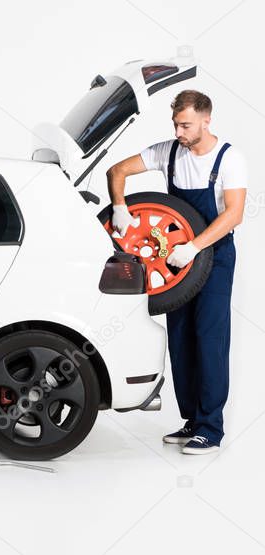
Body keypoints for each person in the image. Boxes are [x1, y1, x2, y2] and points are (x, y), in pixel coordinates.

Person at [106, 89, 247, 455]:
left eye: (185, 125)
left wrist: (196, 246)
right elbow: (116, 170)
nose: (179, 131)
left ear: (206, 120)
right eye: (175, 124)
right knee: (181, 341)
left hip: (213, 257)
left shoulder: (229, 158)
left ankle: (211, 429)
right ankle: (192, 422)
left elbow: (234, 214)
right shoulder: (167, 151)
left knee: (210, 341)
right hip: (173, 262)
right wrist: (120, 207)